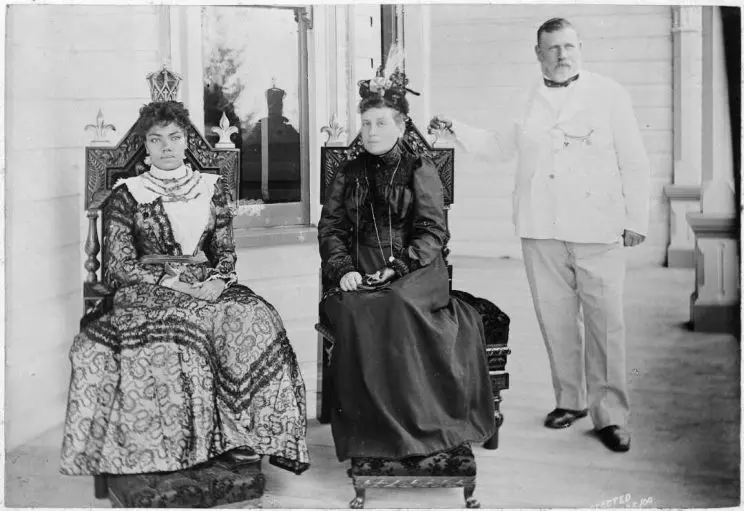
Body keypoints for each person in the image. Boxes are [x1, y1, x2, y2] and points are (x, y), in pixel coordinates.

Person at [429, 17, 650, 453]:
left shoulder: (609, 95)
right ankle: (570, 400)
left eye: (569, 46)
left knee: (606, 323)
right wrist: (455, 128)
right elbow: (498, 146)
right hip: (540, 228)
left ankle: (612, 414)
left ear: (580, 48)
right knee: (556, 319)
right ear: (538, 54)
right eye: (552, 48)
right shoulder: (528, 99)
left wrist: (635, 219)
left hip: (597, 227)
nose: (562, 55)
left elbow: (634, 159)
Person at [61, 101, 310, 476]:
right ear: (145, 145)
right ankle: (183, 448)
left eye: (174, 137)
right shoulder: (127, 194)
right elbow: (119, 267)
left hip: (204, 282)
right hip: (147, 286)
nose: (166, 146)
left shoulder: (211, 189)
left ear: (186, 141)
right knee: (182, 331)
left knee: (253, 316)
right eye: (156, 139)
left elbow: (225, 252)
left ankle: (241, 437)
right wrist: (175, 284)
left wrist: (217, 280)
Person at [317, 63, 496, 463]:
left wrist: (399, 266)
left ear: (400, 126)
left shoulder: (420, 168)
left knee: (394, 303)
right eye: (365, 124)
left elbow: (434, 232)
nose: (372, 132)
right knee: (360, 308)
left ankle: (418, 427)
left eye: (381, 123)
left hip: (416, 269)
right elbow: (330, 229)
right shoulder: (348, 172)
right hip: (358, 266)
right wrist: (344, 268)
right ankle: (374, 430)